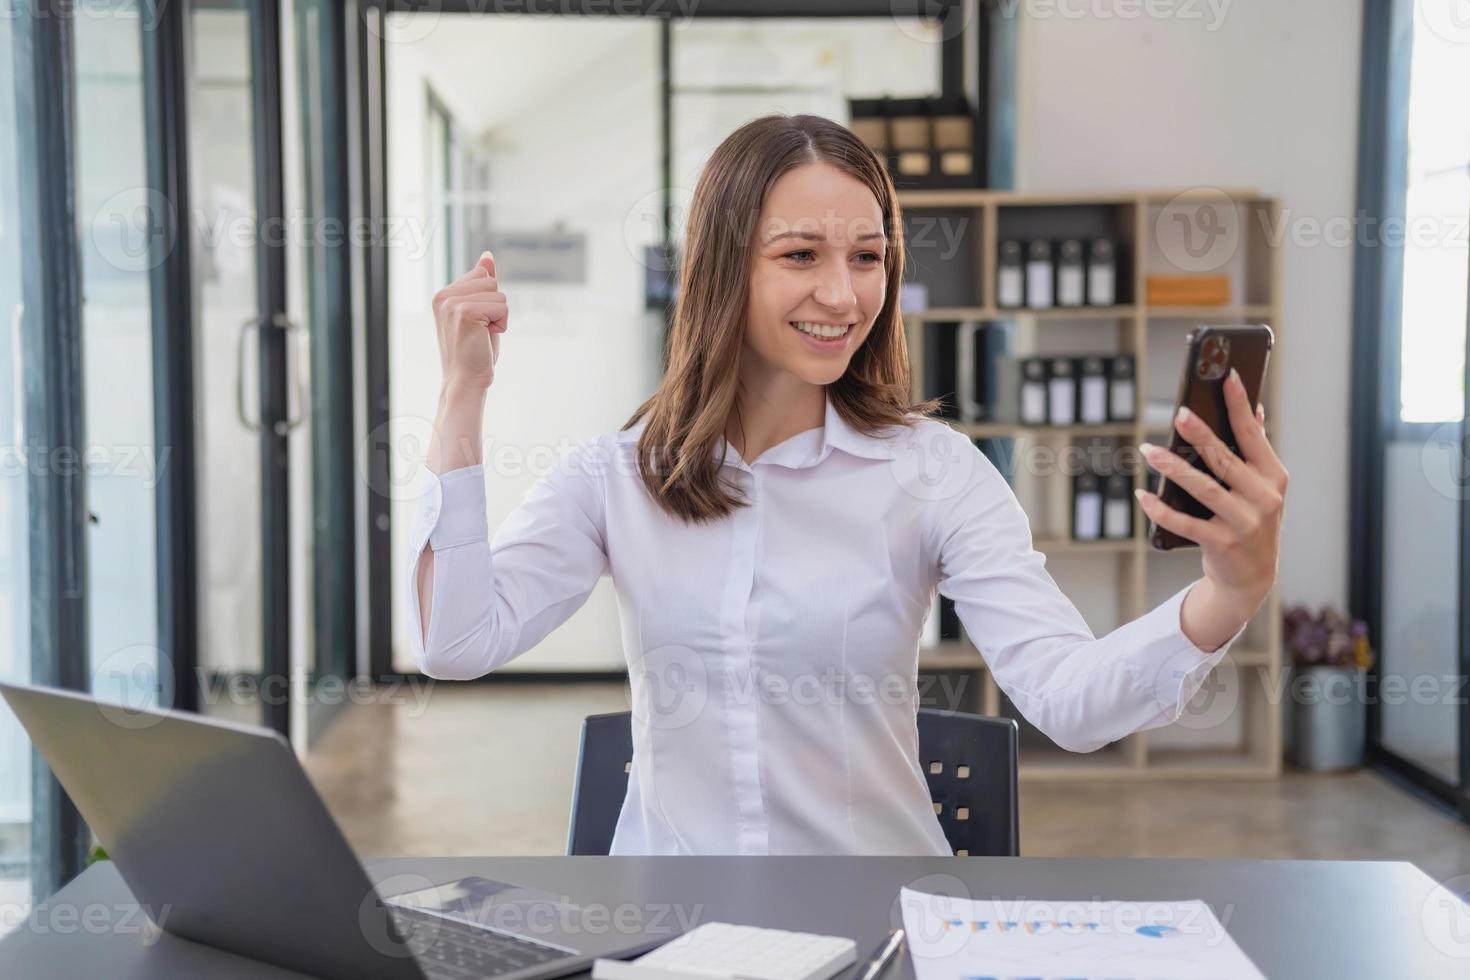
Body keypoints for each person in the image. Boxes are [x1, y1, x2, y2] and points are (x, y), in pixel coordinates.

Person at [409, 114, 1288, 856]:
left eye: (867, 257)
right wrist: (462, 395)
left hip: (872, 924)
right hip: (672, 931)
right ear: (722, 269)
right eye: (800, 255)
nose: (843, 294)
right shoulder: (619, 475)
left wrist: (1226, 592)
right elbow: (456, 642)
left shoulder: (933, 473)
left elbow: (1070, 700)